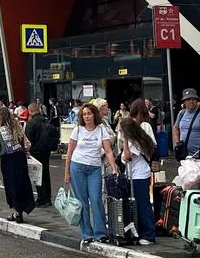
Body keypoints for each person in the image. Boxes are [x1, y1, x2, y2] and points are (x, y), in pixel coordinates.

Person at [63, 102, 118, 247]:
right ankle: (86, 233)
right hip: (77, 167)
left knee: (96, 199)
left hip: (94, 168)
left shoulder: (101, 130)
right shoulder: (78, 130)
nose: (86, 116)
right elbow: (69, 152)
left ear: (94, 114)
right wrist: (67, 172)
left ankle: (100, 233)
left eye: (89, 114)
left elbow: (107, 151)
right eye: (84, 114)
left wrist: (114, 168)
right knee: (82, 202)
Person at [0, 106, 35, 223]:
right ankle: (22, 209)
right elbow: (27, 144)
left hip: (7, 159)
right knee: (22, 183)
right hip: (20, 158)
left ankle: (17, 213)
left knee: (11, 185)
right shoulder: (17, 125)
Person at [121, 100, 158, 245]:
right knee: (135, 203)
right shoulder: (131, 126)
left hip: (140, 172)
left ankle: (148, 233)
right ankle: (138, 230)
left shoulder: (144, 127)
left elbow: (128, 154)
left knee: (142, 203)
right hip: (132, 172)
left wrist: (125, 139)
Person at [24, 101, 58, 206]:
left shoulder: (31, 123)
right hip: (46, 151)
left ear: (30, 111)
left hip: (35, 151)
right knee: (46, 173)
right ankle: (47, 196)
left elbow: (27, 139)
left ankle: (41, 197)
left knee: (38, 175)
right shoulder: (46, 120)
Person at [173, 88, 200, 160]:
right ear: (184, 102)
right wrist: (177, 142)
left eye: (194, 99)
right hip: (184, 156)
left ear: (197, 100)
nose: (191, 101)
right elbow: (175, 127)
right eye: (188, 99)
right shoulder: (181, 113)